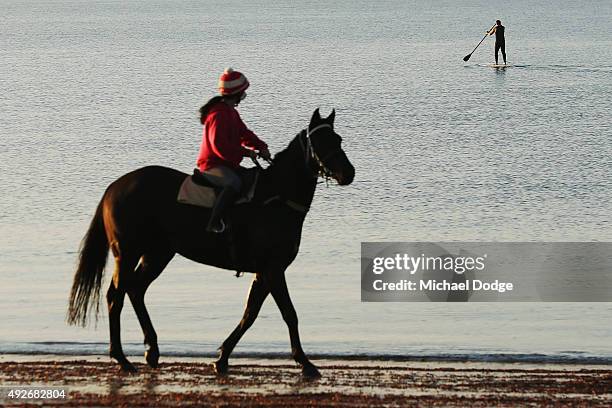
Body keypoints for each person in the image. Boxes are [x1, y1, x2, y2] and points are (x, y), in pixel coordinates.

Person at [196, 68, 271, 233]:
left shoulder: (231, 112)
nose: (244, 96)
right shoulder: (218, 114)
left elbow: (244, 133)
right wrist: (246, 152)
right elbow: (219, 147)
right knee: (234, 183)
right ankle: (214, 222)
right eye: (243, 93)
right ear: (236, 94)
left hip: (226, 164)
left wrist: (261, 147)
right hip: (212, 165)